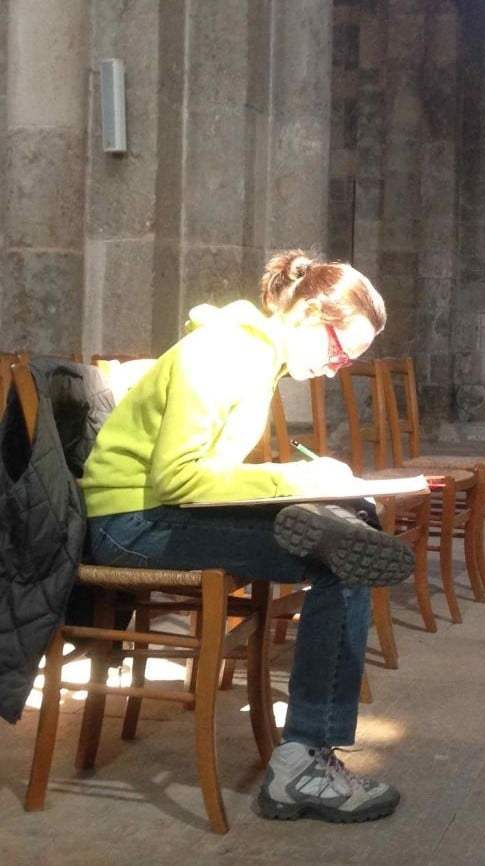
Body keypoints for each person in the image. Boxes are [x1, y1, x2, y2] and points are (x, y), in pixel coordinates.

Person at [82, 250, 413, 823]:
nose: (336, 368)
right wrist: (294, 477)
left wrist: (302, 486)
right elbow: (178, 477)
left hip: (160, 512)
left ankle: (306, 756)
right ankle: (303, 765)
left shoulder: (257, 359)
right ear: (310, 312)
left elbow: (202, 479)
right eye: (339, 350)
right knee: (340, 557)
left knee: (345, 531)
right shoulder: (225, 352)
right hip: (128, 523)